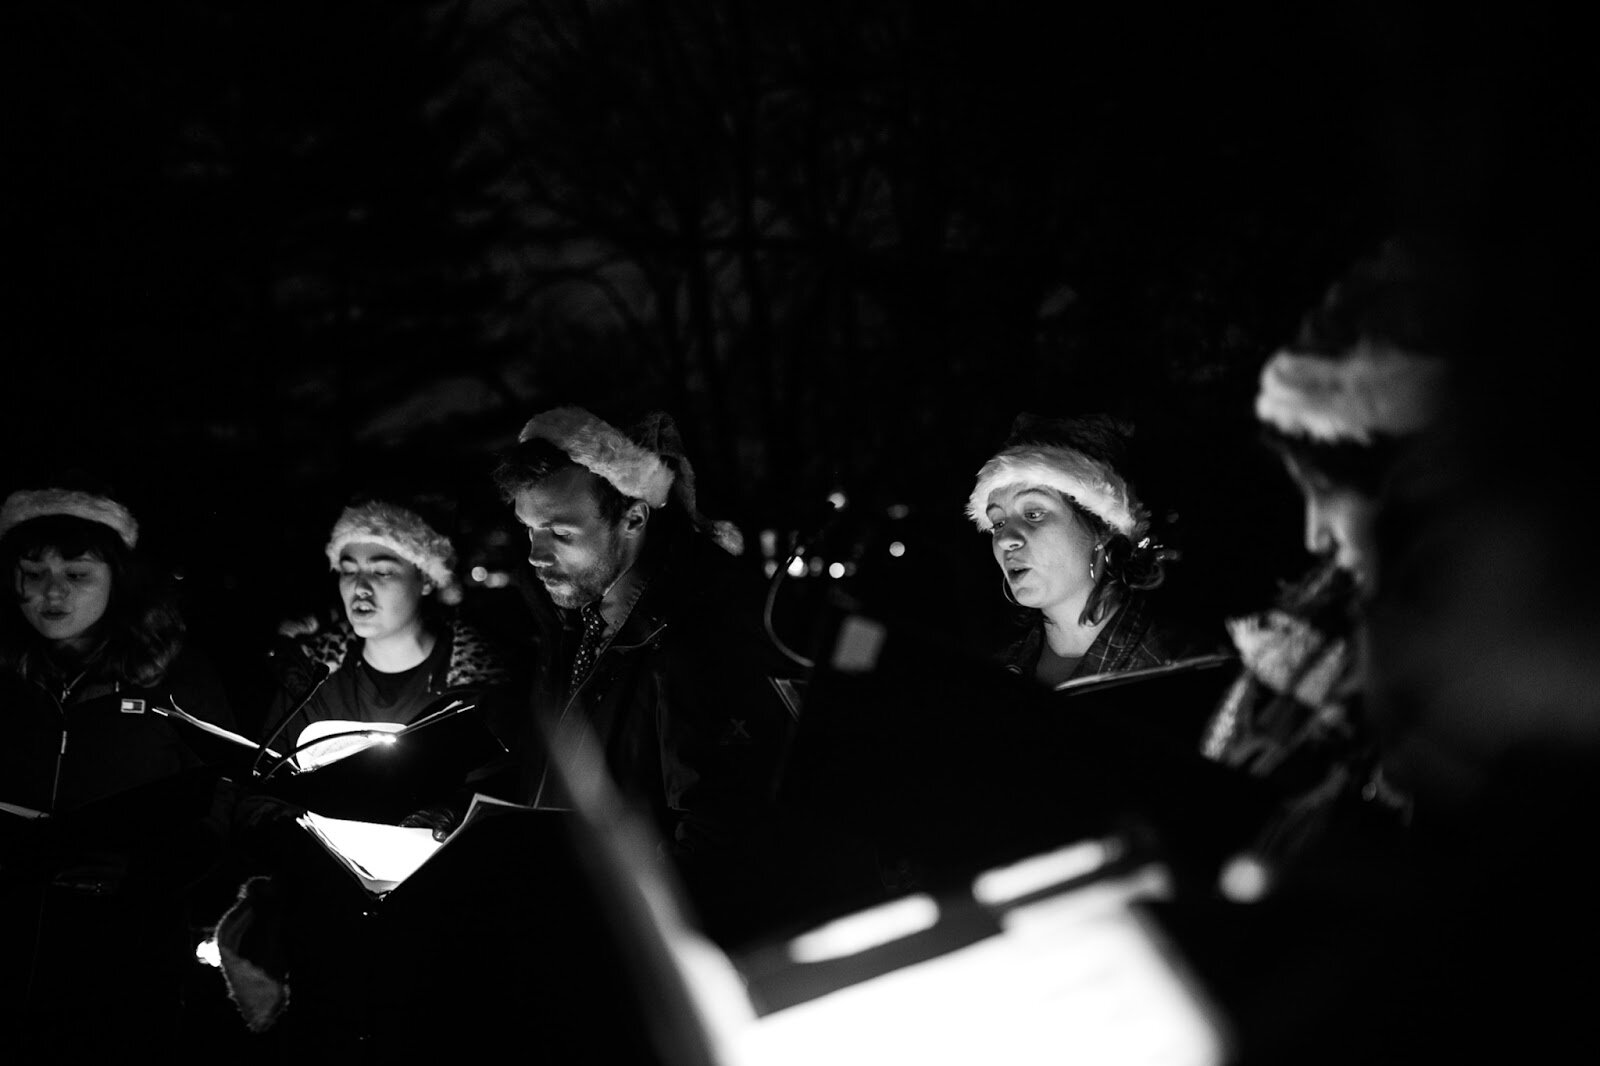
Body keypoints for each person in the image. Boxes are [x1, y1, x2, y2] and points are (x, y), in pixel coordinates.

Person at [1197, 237, 1460, 894]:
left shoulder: (1504, 693)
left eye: (1326, 494)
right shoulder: (1331, 631)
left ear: (1418, 488)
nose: (1313, 537)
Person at [489, 404, 800, 940]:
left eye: (560, 532)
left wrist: (602, 929)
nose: (536, 554)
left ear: (634, 518)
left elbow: (721, 841)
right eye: (529, 530)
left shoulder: (702, 637)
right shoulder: (576, 615)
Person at [0, 479, 237, 1060]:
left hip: (125, 945)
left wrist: (156, 871)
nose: (52, 592)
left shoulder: (175, 677)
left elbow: (224, 790)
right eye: (33, 573)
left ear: (118, 579)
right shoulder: (5, 672)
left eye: (77, 574)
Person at [966, 411, 1205, 687]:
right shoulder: (992, 676)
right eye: (998, 523)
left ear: (1102, 528)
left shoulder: (1179, 668)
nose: (1005, 539)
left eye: (1033, 514)